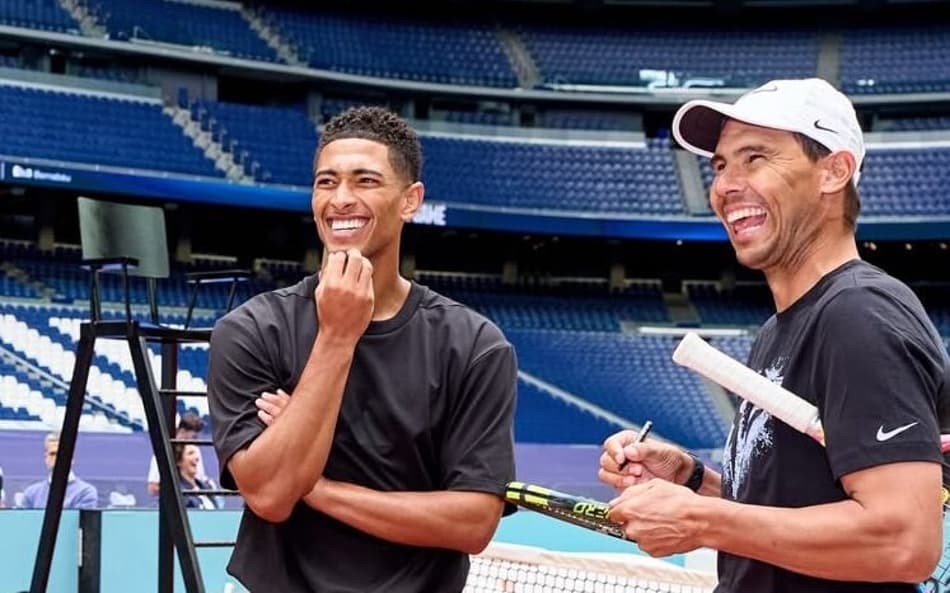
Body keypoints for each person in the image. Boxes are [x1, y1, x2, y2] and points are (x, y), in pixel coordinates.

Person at [599, 78, 950, 592]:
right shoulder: (782, 329)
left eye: (755, 158)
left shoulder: (859, 315)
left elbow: (902, 541)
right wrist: (696, 483)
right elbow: (798, 513)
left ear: (834, 171)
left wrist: (701, 522)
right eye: (720, 165)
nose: (724, 185)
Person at [207, 106, 518, 593]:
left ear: (410, 200)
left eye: (366, 181)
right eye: (326, 183)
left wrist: (318, 486)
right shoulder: (250, 330)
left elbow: (473, 523)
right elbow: (268, 494)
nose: (341, 200)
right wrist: (336, 336)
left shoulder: (475, 345)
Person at [19, 432, 98, 509]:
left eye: (62, 453)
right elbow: (23, 521)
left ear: (72, 458)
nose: (57, 458)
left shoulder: (85, 492)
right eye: (53, 454)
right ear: (46, 458)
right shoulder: (31, 493)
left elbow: (80, 521)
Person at [147, 412, 207, 497]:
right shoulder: (164, 453)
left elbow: (200, 480)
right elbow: (152, 488)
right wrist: (179, 495)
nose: (195, 441)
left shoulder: (196, 451)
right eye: (193, 437)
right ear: (182, 431)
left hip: (198, 505)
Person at [174, 444, 221, 510]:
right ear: (179, 461)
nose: (196, 458)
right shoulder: (178, 491)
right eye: (190, 453)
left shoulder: (206, 487)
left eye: (196, 453)